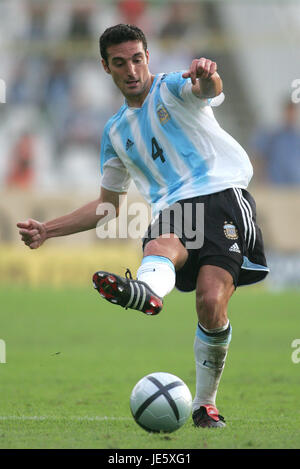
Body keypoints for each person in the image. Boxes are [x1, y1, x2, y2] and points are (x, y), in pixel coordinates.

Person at [17, 24, 269, 428]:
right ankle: (147, 291)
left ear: (147, 57)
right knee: (161, 241)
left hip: (223, 194)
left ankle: (205, 404)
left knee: (210, 301)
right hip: (174, 207)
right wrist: (48, 230)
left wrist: (208, 74)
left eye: (137, 59)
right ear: (106, 67)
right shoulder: (116, 132)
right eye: (120, 63)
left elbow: (207, 91)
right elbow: (107, 207)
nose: (131, 70)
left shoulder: (172, 87)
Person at [250, 100, 300, 185]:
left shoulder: (296, 137)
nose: (291, 115)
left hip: (295, 187)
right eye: (289, 112)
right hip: (275, 186)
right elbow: (257, 158)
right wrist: (261, 180)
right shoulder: (271, 135)